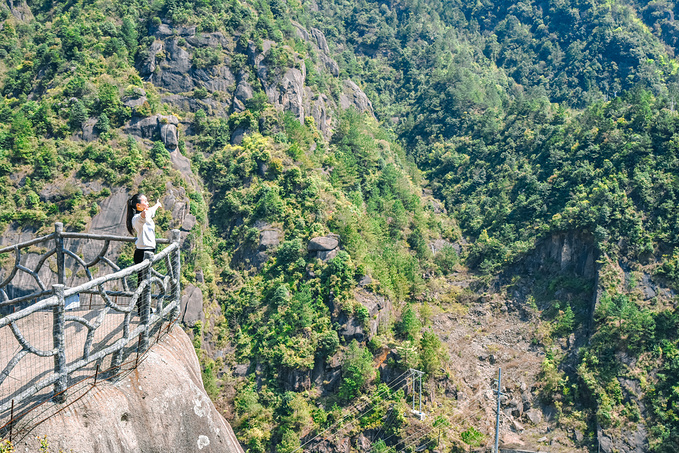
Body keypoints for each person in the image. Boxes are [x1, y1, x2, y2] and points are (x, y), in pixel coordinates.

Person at [126, 193, 162, 264]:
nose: (148, 203)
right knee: (143, 274)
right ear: (138, 205)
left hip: (149, 250)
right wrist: (144, 213)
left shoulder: (147, 214)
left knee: (146, 274)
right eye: (145, 201)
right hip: (142, 252)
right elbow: (141, 218)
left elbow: (151, 210)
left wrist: (157, 205)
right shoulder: (136, 219)